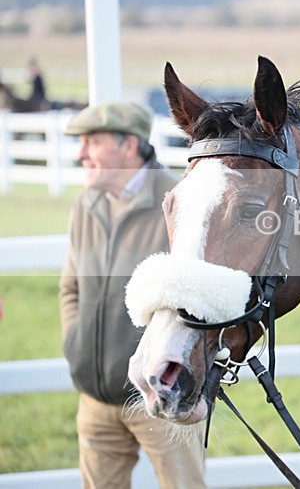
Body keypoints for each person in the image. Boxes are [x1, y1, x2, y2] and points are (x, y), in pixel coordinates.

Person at [59, 101, 207, 489]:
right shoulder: (84, 204)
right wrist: (77, 344)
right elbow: (70, 288)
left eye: (91, 142)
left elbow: (199, 299)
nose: (81, 154)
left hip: (164, 400)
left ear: (128, 146)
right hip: (96, 400)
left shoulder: (178, 202)